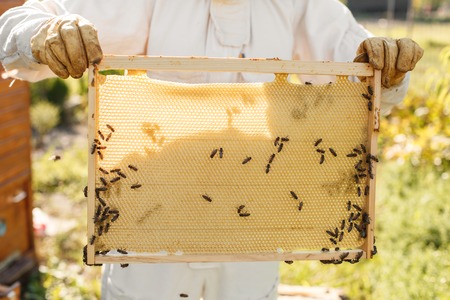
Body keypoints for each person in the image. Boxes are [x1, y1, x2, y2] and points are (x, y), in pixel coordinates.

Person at [0, 1, 423, 299]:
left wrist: (389, 66)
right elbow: (21, 24)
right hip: (150, 221)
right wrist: (41, 34)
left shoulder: (300, 3)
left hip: (254, 219)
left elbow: (364, 72)